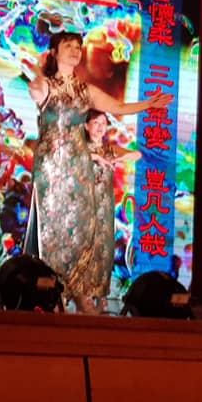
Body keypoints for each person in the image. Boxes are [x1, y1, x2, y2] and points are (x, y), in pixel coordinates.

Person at [23, 31, 170, 314]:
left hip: (79, 166)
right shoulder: (47, 86)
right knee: (52, 229)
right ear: (54, 52)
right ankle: (52, 295)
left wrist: (149, 105)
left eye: (78, 47)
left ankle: (78, 293)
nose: (75, 50)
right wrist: (39, 75)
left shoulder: (84, 90)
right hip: (52, 166)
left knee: (82, 230)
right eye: (68, 46)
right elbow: (35, 88)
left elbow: (118, 107)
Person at [84, 109, 141, 314]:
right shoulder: (80, 148)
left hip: (105, 207)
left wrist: (119, 159)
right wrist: (96, 158)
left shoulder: (109, 149)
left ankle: (101, 295)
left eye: (103, 123)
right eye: (95, 123)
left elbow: (137, 154)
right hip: (84, 207)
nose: (100, 127)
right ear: (86, 126)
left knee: (104, 251)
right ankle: (83, 295)